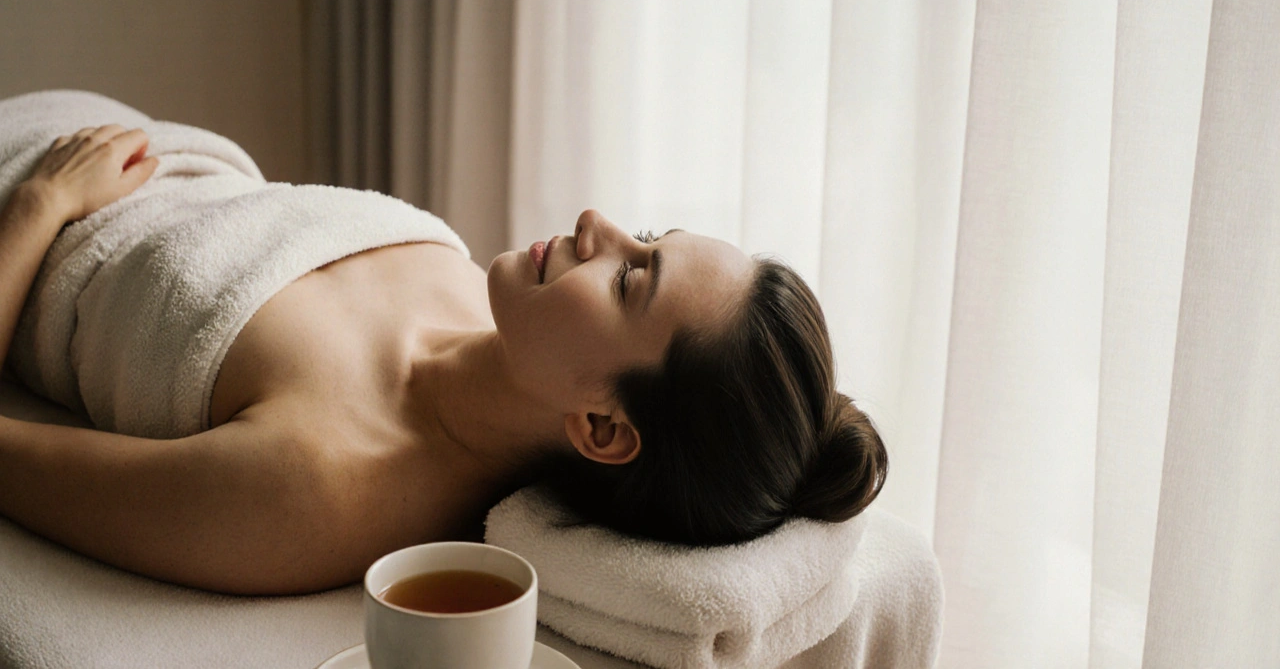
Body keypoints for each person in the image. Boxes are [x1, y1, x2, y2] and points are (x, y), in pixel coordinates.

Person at [0, 122, 886, 596]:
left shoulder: (321, 483)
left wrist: (41, 203)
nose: (596, 227)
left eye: (630, 280)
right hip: (113, 136)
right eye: (646, 236)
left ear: (605, 427)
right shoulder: (477, 292)